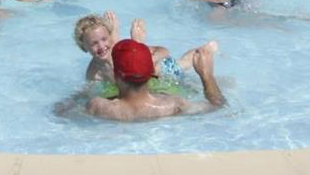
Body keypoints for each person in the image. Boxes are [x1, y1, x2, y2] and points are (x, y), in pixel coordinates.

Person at [85, 40, 225, 122]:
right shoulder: (173, 105)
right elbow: (218, 105)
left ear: (115, 76)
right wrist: (207, 76)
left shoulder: (98, 106)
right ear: (152, 73)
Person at [73, 12, 215, 87]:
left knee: (183, 64)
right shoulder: (94, 73)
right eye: (94, 43)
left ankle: (204, 51)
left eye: (104, 39)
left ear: (110, 38)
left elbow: (163, 51)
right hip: (139, 86)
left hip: (160, 71)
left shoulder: (122, 50)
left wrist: (145, 59)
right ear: (83, 47)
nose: (101, 46)